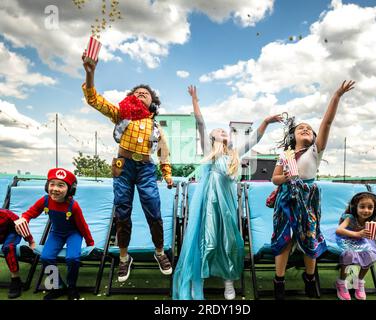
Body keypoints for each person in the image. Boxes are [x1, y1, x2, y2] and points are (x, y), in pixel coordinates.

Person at [172, 85, 282, 300]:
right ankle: (200, 277)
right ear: (212, 138)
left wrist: (266, 122)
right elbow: (200, 122)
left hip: (228, 205)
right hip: (209, 206)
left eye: (225, 131)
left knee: (229, 240)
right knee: (207, 239)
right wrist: (195, 100)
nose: (222, 132)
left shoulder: (234, 154)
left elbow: (255, 139)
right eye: (218, 131)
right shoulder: (210, 151)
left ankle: (228, 281)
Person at [81, 51, 174, 282]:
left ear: (153, 102)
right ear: (131, 98)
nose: (141, 94)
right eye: (137, 92)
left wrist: (167, 174)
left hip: (145, 169)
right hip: (123, 167)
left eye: (146, 94)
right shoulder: (122, 115)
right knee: (122, 211)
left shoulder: (155, 127)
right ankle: (124, 258)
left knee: (153, 209)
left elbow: (164, 151)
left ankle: (160, 252)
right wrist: (90, 73)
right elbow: (94, 100)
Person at [271, 80, 356, 300]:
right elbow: (274, 179)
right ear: (293, 136)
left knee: (309, 238)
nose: (306, 129)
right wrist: (287, 176)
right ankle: (278, 281)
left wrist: (336, 95)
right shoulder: (286, 155)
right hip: (286, 199)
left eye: (309, 128)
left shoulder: (314, 152)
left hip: (308, 199)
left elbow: (327, 123)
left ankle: (309, 278)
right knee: (285, 238)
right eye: (301, 128)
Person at [20, 168, 94, 300]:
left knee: (72, 258)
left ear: (70, 189)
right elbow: (30, 212)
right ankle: (58, 286)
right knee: (46, 257)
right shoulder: (45, 200)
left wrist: (90, 242)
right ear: (47, 186)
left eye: (61, 185)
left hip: (73, 234)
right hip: (56, 234)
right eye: (52, 184)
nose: (55, 188)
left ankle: (72, 287)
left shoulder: (74, 206)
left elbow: (82, 225)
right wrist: (24, 218)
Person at [0, 209, 35, 298]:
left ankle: (15, 279)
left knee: (8, 248)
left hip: (12, 232)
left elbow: (21, 225)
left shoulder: (5, 214)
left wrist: (30, 240)